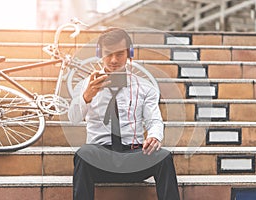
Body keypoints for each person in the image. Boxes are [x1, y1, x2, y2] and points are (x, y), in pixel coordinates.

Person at [68, 27, 180, 200]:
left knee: (164, 156)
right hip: (100, 159)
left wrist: (154, 137)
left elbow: (154, 121)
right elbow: (73, 119)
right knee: (83, 154)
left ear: (130, 53)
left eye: (119, 54)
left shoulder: (145, 88)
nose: (113, 60)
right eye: (108, 54)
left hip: (133, 156)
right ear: (99, 53)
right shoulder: (86, 85)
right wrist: (87, 96)